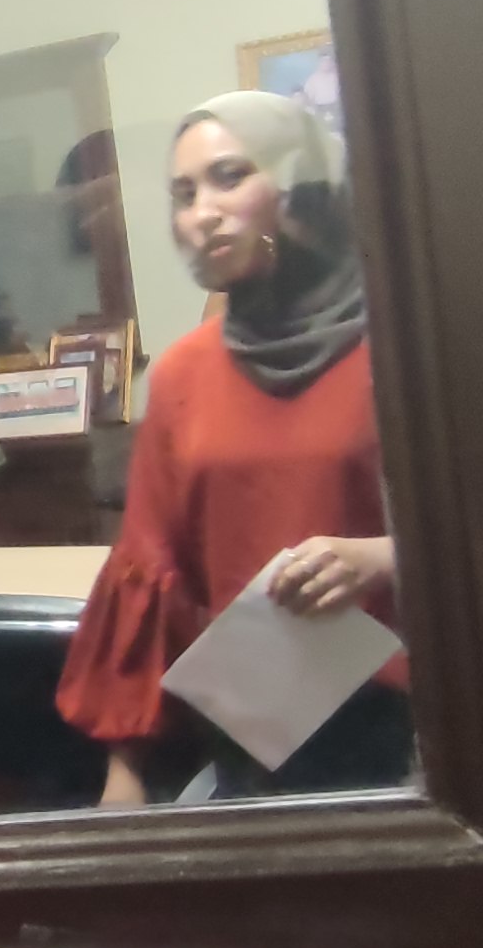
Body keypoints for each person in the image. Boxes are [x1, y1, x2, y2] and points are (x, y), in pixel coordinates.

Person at [56, 90, 411, 804]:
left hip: (413, 740)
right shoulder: (185, 374)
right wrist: (126, 772)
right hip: (256, 742)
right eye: (184, 194)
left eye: (229, 177)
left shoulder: (404, 344)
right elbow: (151, 567)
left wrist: (380, 558)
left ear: (300, 185)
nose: (203, 212)